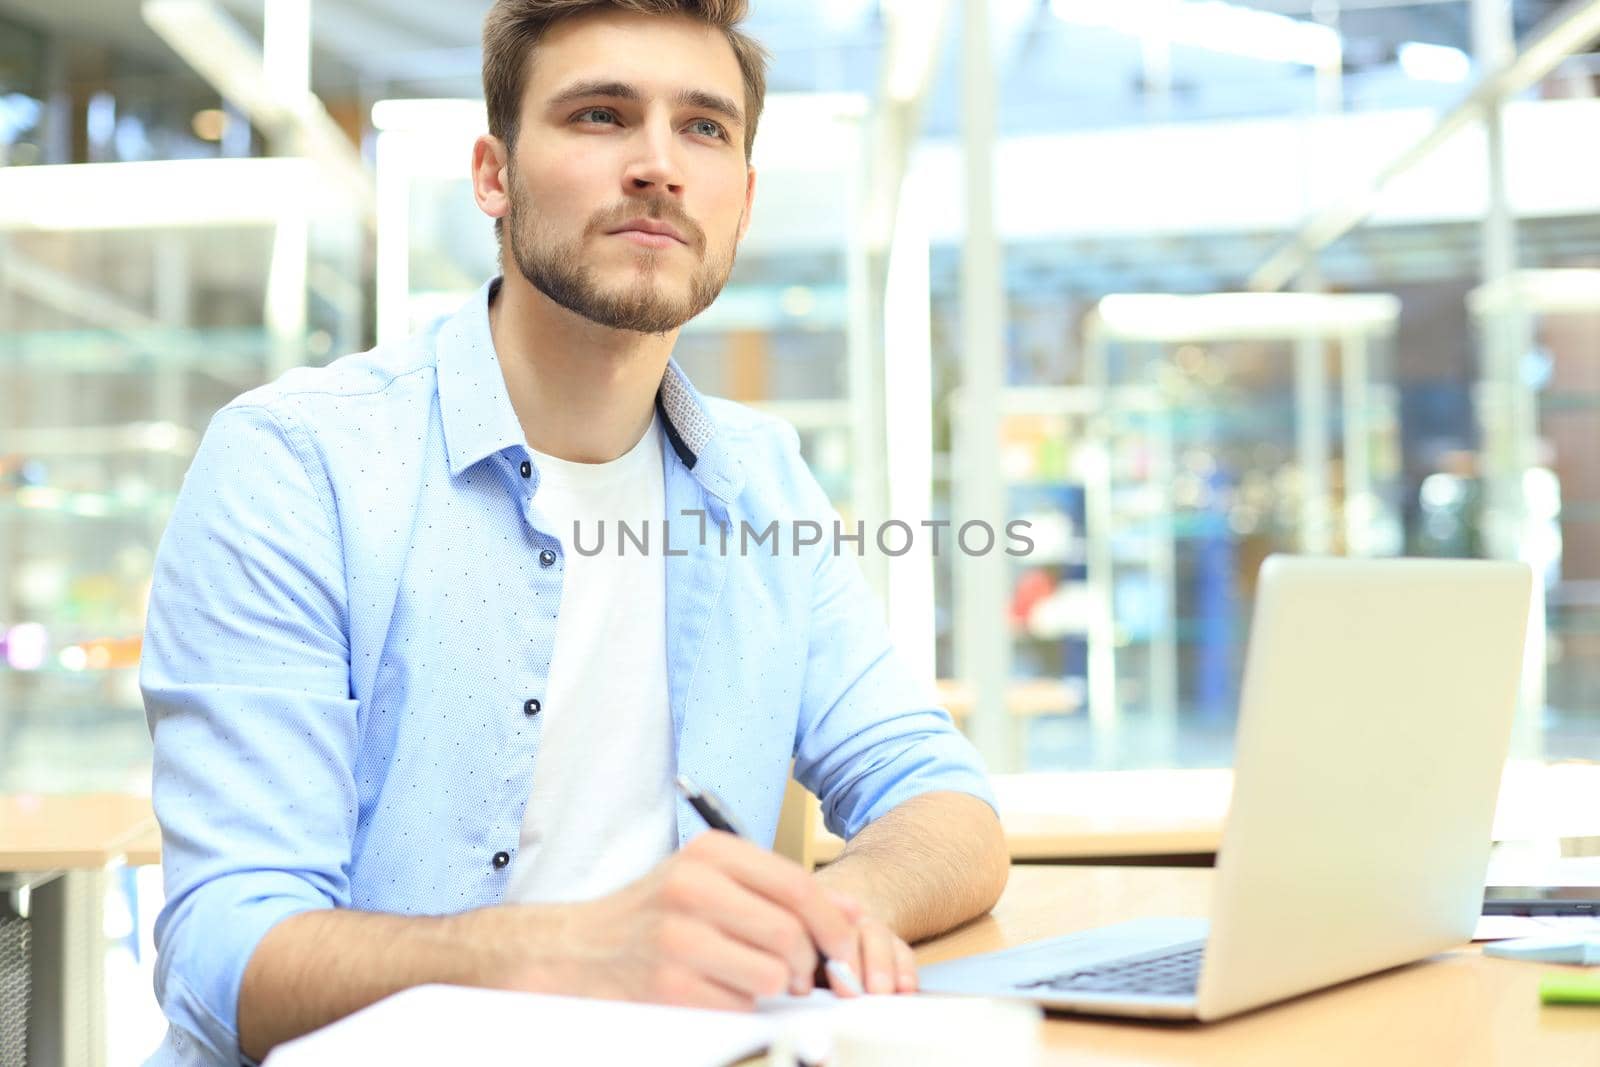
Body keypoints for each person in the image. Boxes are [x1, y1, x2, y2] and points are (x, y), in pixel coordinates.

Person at [140, 1, 1007, 1063]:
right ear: (493, 176)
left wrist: (817, 918)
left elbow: (939, 795)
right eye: (600, 116)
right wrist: (577, 952)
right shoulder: (298, 461)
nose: (658, 164)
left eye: (705, 128)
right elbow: (228, 953)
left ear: (740, 202)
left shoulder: (762, 483)